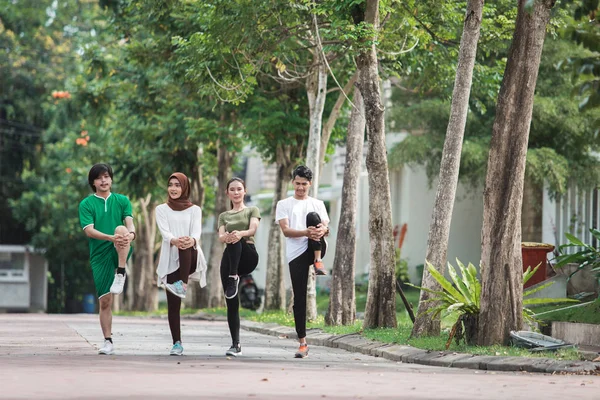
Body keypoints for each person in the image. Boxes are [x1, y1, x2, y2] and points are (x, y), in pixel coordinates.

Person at [79, 163, 135, 355]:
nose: (104, 181)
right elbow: (89, 230)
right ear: (93, 182)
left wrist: (131, 235)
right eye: (99, 178)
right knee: (105, 301)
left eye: (106, 176)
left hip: (120, 246)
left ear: (111, 179)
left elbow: (129, 222)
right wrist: (109, 237)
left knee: (121, 229)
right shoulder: (86, 204)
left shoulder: (121, 200)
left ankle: (121, 272)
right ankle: (108, 340)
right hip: (99, 253)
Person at [275, 165, 330, 358]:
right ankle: (302, 343)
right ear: (292, 182)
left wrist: (322, 230)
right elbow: (286, 231)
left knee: (313, 217)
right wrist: (307, 232)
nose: (300, 188)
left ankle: (318, 262)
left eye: (304, 184)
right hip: (296, 253)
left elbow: (325, 227)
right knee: (299, 298)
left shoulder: (318, 203)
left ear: (310, 184)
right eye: (297, 184)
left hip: (316, 248)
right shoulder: (284, 204)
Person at [155, 172, 207, 356]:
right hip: (170, 259)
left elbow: (196, 233)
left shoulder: (195, 210)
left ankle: (182, 285)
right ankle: (177, 343)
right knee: (173, 305)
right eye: (171, 185)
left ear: (184, 187)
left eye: (178, 185)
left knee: (186, 243)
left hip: (190, 256)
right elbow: (165, 233)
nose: (174, 188)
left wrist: (190, 241)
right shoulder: (161, 209)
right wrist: (174, 241)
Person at [217, 177, 260, 356]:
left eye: (239, 189)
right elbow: (220, 236)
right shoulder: (223, 216)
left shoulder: (252, 210)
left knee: (236, 237)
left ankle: (234, 277)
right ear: (227, 193)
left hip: (248, 254)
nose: (236, 192)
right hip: (230, 256)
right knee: (231, 303)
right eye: (232, 189)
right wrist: (227, 237)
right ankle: (236, 344)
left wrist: (238, 234)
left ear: (244, 191)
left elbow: (252, 229)